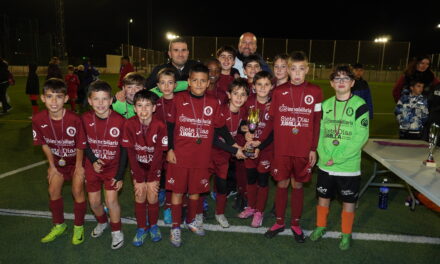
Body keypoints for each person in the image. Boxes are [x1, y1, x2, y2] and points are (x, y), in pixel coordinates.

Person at [166, 64, 243, 247]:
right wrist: (170, 149)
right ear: (188, 82)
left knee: (195, 192)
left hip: (201, 157)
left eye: (203, 80)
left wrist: (234, 145)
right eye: (195, 80)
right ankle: (175, 226)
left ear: (208, 82)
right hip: (180, 155)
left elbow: (220, 127)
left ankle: (191, 220)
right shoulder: (178, 99)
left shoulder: (213, 102)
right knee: (177, 191)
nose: (199, 84)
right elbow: (170, 126)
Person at [262, 51, 323, 243]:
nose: (297, 73)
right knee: (281, 183)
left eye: (301, 69)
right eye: (293, 69)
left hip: (303, 150)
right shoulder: (278, 92)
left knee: (297, 185)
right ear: (287, 70)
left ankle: (295, 224)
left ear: (307, 70)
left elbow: (317, 122)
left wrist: (313, 148)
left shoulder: (316, 92)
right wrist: (259, 142)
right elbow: (271, 122)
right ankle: (279, 222)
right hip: (282, 149)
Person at [309, 65, 369, 250]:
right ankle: (320, 226)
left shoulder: (360, 105)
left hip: (348, 166)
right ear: (331, 83)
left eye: (345, 79)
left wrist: (337, 158)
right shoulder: (326, 105)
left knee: (348, 202)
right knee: (323, 198)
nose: (341, 82)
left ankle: (346, 233)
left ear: (352, 82)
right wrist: (324, 155)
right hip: (326, 163)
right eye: (337, 78)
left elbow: (361, 137)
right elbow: (318, 133)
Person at [32, 78, 87, 245]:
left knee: (77, 191)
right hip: (58, 163)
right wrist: (52, 166)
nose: (54, 101)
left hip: (76, 162)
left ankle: (79, 226)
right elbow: (44, 144)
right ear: (43, 98)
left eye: (58, 96)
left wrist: (79, 167)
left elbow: (80, 145)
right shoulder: (38, 119)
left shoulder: (75, 119)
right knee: (53, 190)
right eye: (49, 96)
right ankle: (59, 225)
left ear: (66, 99)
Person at [82, 80, 127, 250]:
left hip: (113, 168)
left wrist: (120, 175)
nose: (100, 103)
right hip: (92, 167)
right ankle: (102, 222)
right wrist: (93, 160)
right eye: (96, 99)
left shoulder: (120, 121)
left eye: (104, 99)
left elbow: (124, 150)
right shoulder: (85, 119)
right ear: (90, 100)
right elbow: (84, 142)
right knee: (94, 203)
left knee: (111, 200)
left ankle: (116, 231)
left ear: (111, 100)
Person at [122, 90, 168, 246]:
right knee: (140, 195)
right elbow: (130, 153)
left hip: (154, 169)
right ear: (134, 108)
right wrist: (139, 178)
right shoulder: (129, 124)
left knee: (153, 196)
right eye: (140, 106)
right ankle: (142, 227)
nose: (144, 110)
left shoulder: (160, 125)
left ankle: (153, 226)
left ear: (154, 108)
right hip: (138, 168)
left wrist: (153, 178)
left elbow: (158, 155)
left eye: (148, 105)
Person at [210, 78, 249, 228]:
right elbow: (214, 140)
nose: (239, 98)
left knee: (222, 184)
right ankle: (197, 213)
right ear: (228, 94)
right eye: (236, 93)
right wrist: (235, 149)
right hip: (209, 153)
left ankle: (219, 213)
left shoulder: (244, 110)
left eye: (243, 94)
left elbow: (241, 124)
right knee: (200, 185)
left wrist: (245, 131)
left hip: (224, 156)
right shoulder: (220, 111)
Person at [238, 71, 273, 228]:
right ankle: (251, 207)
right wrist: (245, 132)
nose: (263, 87)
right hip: (251, 147)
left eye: (266, 84)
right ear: (253, 86)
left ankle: (260, 211)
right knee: (251, 178)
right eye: (259, 84)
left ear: (271, 86)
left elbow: (275, 131)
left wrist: (261, 146)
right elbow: (242, 123)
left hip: (266, 149)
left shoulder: (274, 104)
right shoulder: (249, 102)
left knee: (263, 181)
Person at [154, 68, 178, 224]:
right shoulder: (155, 103)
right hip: (158, 147)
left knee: (172, 176)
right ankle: (160, 193)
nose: (166, 86)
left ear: (175, 85)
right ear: (158, 86)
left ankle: (169, 206)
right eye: (163, 83)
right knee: (158, 172)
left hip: (175, 147)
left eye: (170, 82)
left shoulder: (180, 102)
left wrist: (173, 148)